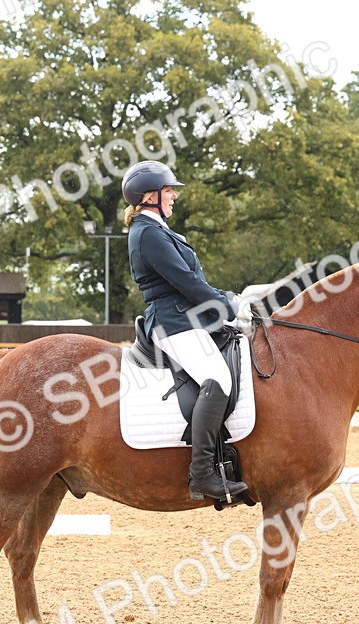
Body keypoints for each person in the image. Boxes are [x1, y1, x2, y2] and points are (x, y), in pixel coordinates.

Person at [123, 160, 253, 501]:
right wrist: (229, 306)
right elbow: (187, 283)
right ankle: (203, 475)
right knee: (218, 378)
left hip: (186, 318)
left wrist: (225, 299)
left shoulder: (157, 230)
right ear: (149, 196)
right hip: (173, 322)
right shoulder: (148, 233)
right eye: (168, 191)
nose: (173, 197)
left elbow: (195, 283)